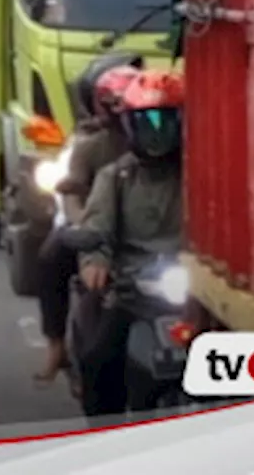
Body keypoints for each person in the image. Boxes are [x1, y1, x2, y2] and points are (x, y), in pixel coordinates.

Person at [73, 69, 185, 418]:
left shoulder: (203, 172)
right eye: (146, 122)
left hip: (196, 294)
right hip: (134, 292)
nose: (156, 132)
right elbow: (96, 227)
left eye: (166, 121)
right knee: (98, 361)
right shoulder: (116, 177)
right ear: (128, 125)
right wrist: (95, 260)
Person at [33, 57, 142, 386]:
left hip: (149, 232)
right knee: (51, 256)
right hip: (99, 230)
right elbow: (72, 192)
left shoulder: (167, 137)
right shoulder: (90, 148)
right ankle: (56, 344)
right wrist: (87, 225)